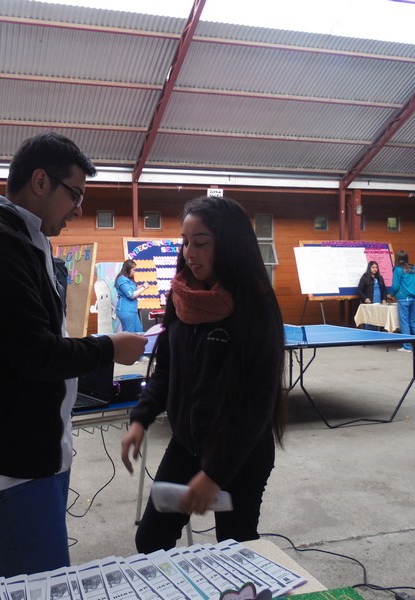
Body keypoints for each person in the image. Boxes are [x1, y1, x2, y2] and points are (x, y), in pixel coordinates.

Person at [0, 132, 146, 578]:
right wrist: (109, 347)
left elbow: (34, 339)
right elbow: (35, 352)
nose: (78, 209)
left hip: (29, 450)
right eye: (75, 194)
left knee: (40, 577)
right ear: (40, 181)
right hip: (9, 463)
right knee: (40, 584)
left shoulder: (22, 239)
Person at [120, 195, 288, 552]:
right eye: (185, 242)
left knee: (235, 548)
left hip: (241, 452)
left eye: (201, 243)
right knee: (150, 540)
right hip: (187, 444)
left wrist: (215, 474)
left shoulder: (256, 305)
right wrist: (140, 418)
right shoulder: (182, 298)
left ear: (228, 245)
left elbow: (258, 403)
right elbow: (166, 370)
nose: (189, 253)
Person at [387, 250, 415, 353]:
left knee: (404, 323)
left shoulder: (397, 270)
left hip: (404, 299)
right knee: (414, 322)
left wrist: (391, 295)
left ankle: (407, 347)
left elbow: (395, 286)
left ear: (397, 258)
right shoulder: (414, 268)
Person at [114, 259, 149, 332]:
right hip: (126, 310)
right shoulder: (122, 279)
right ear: (128, 269)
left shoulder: (127, 279)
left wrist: (142, 286)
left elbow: (133, 289)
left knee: (139, 331)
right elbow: (131, 295)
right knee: (129, 334)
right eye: (133, 270)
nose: (134, 272)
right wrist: (144, 288)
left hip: (132, 310)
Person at [357, 261, 388, 331]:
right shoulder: (365, 277)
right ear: (369, 268)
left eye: (376, 267)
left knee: (378, 321)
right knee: (369, 321)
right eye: (373, 267)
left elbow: (384, 290)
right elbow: (359, 290)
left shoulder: (380, 278)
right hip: (369, 303)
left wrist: (384, 299)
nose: (375, 269)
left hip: (379, 304)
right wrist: (365, 299)